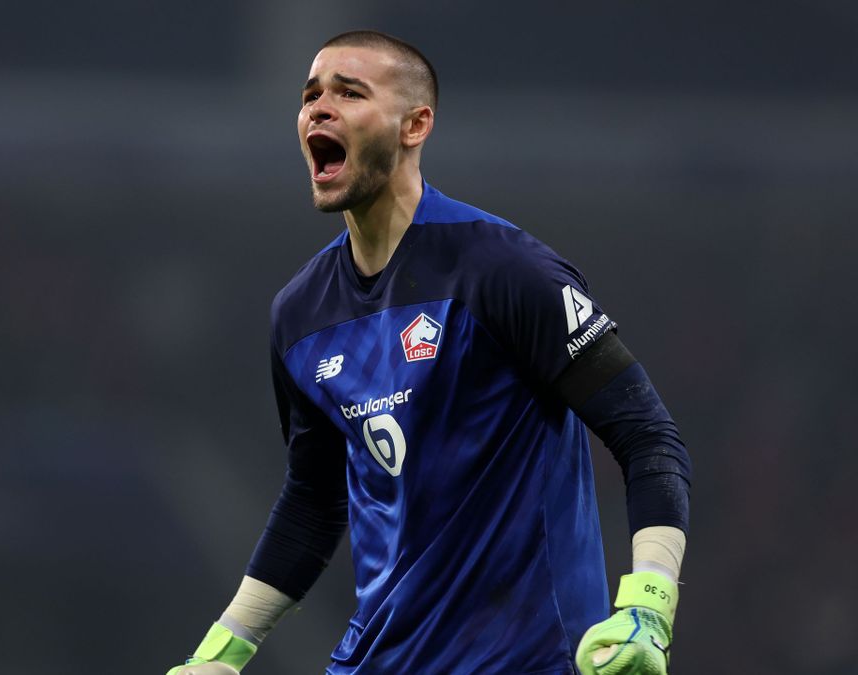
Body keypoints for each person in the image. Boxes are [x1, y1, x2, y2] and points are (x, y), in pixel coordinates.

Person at [167, 30, 691, 675]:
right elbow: (313, 500)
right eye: (310, 96)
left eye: (349, 92)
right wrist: (220, 655)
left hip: (525, 660)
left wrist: (648, 608)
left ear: (415, 124)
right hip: (377, 661)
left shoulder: (503, 270)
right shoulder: (300, 315)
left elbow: (648, 437)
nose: (318, 109)